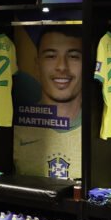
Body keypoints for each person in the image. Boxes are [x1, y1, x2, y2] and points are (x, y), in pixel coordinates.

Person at [13, 27, 83, 178]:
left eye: (73, 57)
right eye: (51, 56)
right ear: (37, 66)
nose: (62, 67)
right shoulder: (18, 129)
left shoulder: (101, 132)